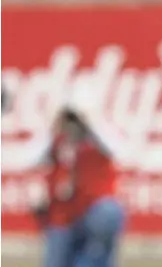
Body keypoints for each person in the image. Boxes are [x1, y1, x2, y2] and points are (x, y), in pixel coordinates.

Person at [33, 107, 125, 267]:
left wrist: (90, 123)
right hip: (63, 218)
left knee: (107, 213)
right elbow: (32, 158)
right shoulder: (56, 145)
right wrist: (52, 129)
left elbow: (119, 149)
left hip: (86, 214)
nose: (71, 128)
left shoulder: (94, 145)